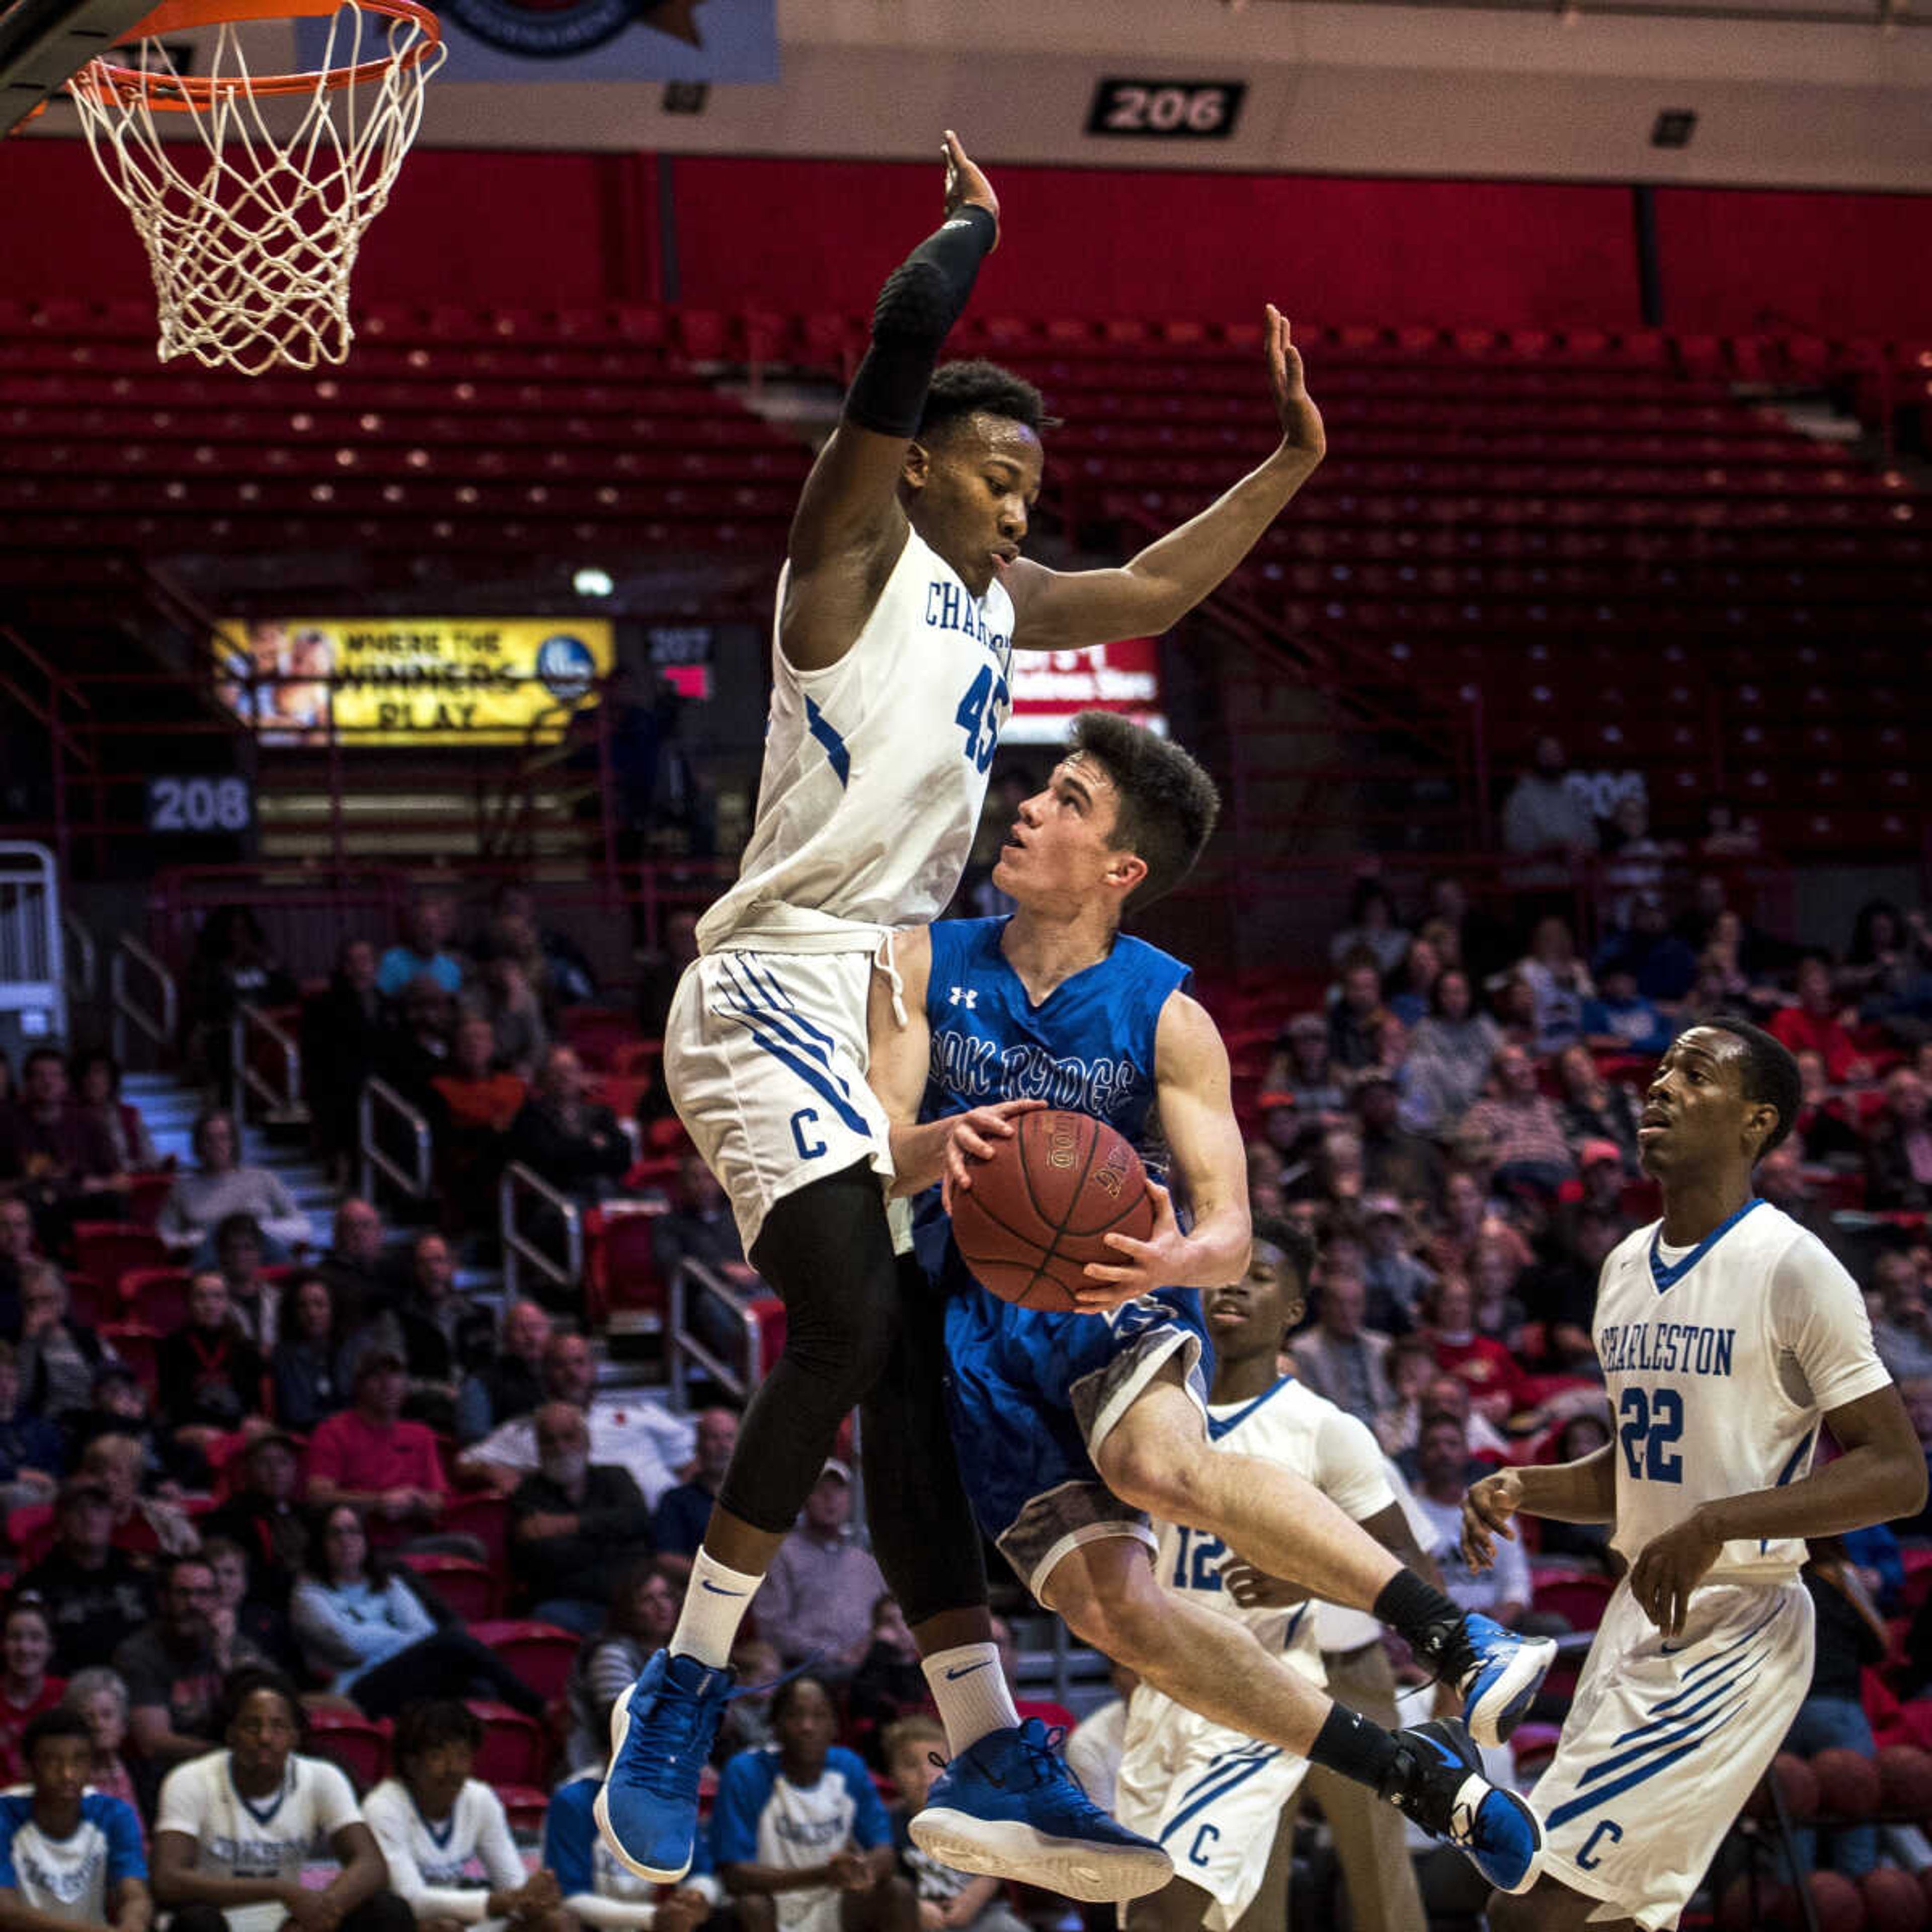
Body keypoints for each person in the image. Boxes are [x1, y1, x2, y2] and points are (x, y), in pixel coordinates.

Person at [598, 129, 1332, 1895]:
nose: (1020, 506)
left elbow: (1151, 590)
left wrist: (1291, 461)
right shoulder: (842, 562)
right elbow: (893, 357)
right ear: (918, 469)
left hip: (873, 994)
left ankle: (991, 1734)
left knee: (910, 1339)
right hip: (773, 976)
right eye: (995, 476)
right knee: (854, 1313)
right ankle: (685, 1681)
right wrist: (967, 242)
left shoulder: (993, 597)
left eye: (1028, 487)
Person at [867, 715, 1548, 1900]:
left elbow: (1228, 1220)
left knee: (1161, 1464)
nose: (1026, 809)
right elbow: (870, 1146)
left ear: (1120, 867)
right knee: (1115, 1612)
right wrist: (938, 1140)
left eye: (1065, 799)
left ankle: (1455, 1634)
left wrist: (1167, 1260)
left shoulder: (1168, 1014)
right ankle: (1410, 1772)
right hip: (964, 1324)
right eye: (1035, 792)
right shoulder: (922, 959)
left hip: (1098, 1282)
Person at [1460, 1018, 1927, 1932]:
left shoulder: (1794, 1265)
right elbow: (1640, 1469)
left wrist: (1715, 1523)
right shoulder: (1626, 1265)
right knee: (1615, 1918)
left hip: (1740, 1621)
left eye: (1695, 1074)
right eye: (1664, 1068)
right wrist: (1528, 1484)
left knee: (1535, 1909)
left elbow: (1899, 1472)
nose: (1662, 1086)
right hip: (1640, 1612)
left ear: (1757, 1122)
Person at [1115, 1220, 1440, 1932]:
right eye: (1224, 1272)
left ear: (1295, 1311)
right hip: (1200, 1687)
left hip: (1336, 1674)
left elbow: (1417, 1574)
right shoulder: (1152, 1420)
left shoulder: (1325, 1428)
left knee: (1380, 1886)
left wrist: (1312, 1580)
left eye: (1259, 1277)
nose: (1233, 1286)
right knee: (1235, 1903)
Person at [150, 1666, 409, 1932]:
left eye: (278, 1727)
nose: (264, 1737)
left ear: (295, 1737)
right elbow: (167, 1880)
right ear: (231, 1734)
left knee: (387, 1909)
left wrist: (316, 1912)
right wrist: (279, 1890)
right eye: (252, 1726)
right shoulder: (190, 1779)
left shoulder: (322, 1777)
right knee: (198, 1923)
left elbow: (372, 1865)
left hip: (289, 1920)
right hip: (221, 1917)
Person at [288, 1504, 544, 1721]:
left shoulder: (387, 1582)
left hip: (409, 1678)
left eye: (354, 1532)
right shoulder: (308, 1595)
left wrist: (414, 1646)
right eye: (336, 1534)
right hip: (357, 1689)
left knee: (472, 1684)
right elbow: (350, 1645)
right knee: (454, 1644)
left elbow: (425, 1632)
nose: (346, 1541)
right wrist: (410, 1644)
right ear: (320, 1543)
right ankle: (537, 1708)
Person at [711, 1675, 912, 1932]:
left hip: (836, 1899)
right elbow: (735, 1875)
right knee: (752, 1905)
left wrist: (861, 1869)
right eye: (795, 1715)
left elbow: (884, 1851)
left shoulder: (849, 1767)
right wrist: (823, 1875)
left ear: (835, 1726)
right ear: (774, 1724)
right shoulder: (745, 1772)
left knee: (898, 1891)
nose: (808, 1726)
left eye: (819, 1716)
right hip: (772, 1900)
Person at [363, 1701, 568, 1932]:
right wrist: (499, 1902)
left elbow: (513, 1885)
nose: (454, 1769)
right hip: (407, 1924)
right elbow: (411, 1899)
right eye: (438, 1757)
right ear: (411, 1764)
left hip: (464, 1921)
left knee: (556, 1920)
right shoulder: (383, 1807)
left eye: (463, 1756)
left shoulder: (480, 1799)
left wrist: (533, 1900)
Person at [460, 1330, 692, 1509]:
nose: (572, 1373)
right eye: (561, 1365)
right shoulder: (526, 1429)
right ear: (544, 1375)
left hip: (670, 1530)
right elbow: (464, 1463)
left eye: (580, 1363)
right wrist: (491, 1472)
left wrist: (682, 1508)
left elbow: (695, 1459)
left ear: (593, 1369)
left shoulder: (639, 1412)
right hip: (604, 1540)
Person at [508, 1403, 656, 1633]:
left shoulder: (616, 1477)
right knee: (547, 1618)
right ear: (539, 1448)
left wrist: (568, 1525)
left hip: (631, 1602)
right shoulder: (528, 1493)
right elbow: (546, 1559)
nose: (560, 1447)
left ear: (587, 1441)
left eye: (569, 1437)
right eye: (549, 1440)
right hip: (571, 1604)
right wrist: (611, 1538)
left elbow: (637, 1520)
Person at [112, 1554, 266, 1774]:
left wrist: (223, 1656)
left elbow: (263, 1709)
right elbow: (154, 1743)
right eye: (182, 1593)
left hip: (235, 1768)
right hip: (171, 1775)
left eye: (203, 1594)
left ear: (217, 1600)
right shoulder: (138, 1653)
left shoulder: (232, 1643)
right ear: (164, 1599)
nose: (192, 1603)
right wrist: (230, 1753)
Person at [0, 1708, 149, 1932]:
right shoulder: (5, 1815)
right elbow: (6, 1912)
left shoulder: (114, 1815)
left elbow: (135, 1894)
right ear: (29, 1768)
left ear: (91, 1766)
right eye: (52, 1762)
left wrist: (134, 1922)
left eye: (79, 1760)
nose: (67, 1774)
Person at [880, 1718, 1028, 1932]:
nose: (925, 1774)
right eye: (911, 1765)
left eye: (936, 1762)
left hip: (983, 1915)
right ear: (893, 1776)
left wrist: (980, 1890)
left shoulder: (975, 1812)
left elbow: (1003, 1859)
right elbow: (884, 1885)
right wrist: (914, 1908)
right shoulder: (888, 1823)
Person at [754, 1463, 886, 1679]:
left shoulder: (867, 1562)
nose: (830, 1498)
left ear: (850, 1498)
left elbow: (888, 1621)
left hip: (870, 1671)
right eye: (819, 1490)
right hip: (809, 1673)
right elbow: (772, 1630)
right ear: (804, 1499)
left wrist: (870, 1648)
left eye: (838, 1490)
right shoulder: (783, 1556)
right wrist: (833, 1654)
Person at [543, 1768, 714, 1932]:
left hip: (663, 1920)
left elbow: (700, 1872)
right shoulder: (574, 1800)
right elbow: (571, 1897)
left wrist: (697, 1896)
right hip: (593, 1926)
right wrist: (652, 1917)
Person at [306, 1350, 449, 1546]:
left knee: (469, 1547)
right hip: (358, 1544)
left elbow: (438, 1502)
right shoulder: (333, 1432)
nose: (388, 1384)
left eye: (395, 1375)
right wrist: (378, 1502)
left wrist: (415, 1501)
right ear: (359, 1386)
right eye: (376, 1376)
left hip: (414, 1539)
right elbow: (318, 1496)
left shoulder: (421, 1435)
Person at [20, 1481, 154, 1676]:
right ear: (61, 1520)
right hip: (69, 1689)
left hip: (138, 1683)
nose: (89, 1517)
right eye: (78, 1509)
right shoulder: (37, 1582)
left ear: (113, 1517)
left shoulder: (139, 1575)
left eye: (99, 1508)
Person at [565, 1558, 682, 1773]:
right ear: (629, 1610)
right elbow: (625, 1723)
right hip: (608, 1769)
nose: (661, 1606)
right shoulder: (611, 1653)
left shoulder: (678, 1656)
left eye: (666, 1596)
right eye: (648, 1599)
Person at [156, 1113, 308, 1261]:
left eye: (223, 1138)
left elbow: (301, 1226)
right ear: (198, 1144)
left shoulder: (263, 1179)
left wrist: (260, 1228)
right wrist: (194, 1239)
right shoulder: (183, 1189)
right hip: (211, 1258)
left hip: (262, 1252)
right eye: (209, 1139)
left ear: (234, 1142)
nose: (217, 1145)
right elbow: (166, 1236)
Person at [155, 1273, 264, 1447]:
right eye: (201, 1297)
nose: (210, 1305)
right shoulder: (172, 1346)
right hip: (191, 1426)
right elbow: (172, 1404)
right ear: (189, 1302)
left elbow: (253, 1401)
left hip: (236, 1424)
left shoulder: (244, 1347)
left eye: (218, 1297)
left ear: (228, 1302)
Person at [1289, 1273, 1393, 1428]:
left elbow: (1392, 1402)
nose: (1347, 1312)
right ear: (1323, 1306)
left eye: (1355, 1304)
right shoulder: (1303, 1350)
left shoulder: (1382, 1346)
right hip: (1333, 1430)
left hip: (1384, 1430)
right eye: (1339, 1304)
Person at [651, 1407, 739, 1577]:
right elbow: (665, 1558)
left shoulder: (758, 1498)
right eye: (714, 1437)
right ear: (698, 1446)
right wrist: (718, 1579)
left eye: (729, 1437)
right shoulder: (675, 1501)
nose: (723, 1446)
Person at [60, 1671, 142, 1831]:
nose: (98, 1725)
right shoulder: (65, 1779)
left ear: (124, 1724)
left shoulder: (141, 1773)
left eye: (107, 1715)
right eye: (89, 1717)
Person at [269, 1273, 346, 1431]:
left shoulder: (348, 1351)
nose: (312, 1314)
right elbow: (298, 1414)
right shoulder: (283, 1356)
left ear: (334, 1309)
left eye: (320, 1305)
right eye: (303, 1306)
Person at [1499, 736, 1596, 859]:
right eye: (1546, 753)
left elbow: (1591, 837)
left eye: (1556, 753)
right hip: (1538, 875)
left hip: (1573, 873)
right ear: (1535, 757)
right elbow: (1517, 842)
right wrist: (1556, 848)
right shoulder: (1519, 798)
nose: (1552, 758)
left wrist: (1582, 848)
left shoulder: (1571, 796)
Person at [0, 1600, 64, 1787]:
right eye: (15, 1637)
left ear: (50, 1646)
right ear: (2, 1644)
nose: (25, 1648)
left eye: (35, 1638)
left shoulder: (68, 1698)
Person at [72, 1053, 159, 1176]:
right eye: (88, 1074)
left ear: (111, 1079)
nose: (94, 1080)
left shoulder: (129, 1114)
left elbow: (150, 1157)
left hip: (130, 1179)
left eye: (100, 1073)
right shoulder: (70, 1116)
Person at [378, 895, 463, 1002]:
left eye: (434, 926)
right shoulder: (391, 961)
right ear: (414, 928)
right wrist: (408, 992)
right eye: (424, 926)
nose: (429, 933)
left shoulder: (452, 969)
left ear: (442, 931)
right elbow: (381, 1005)